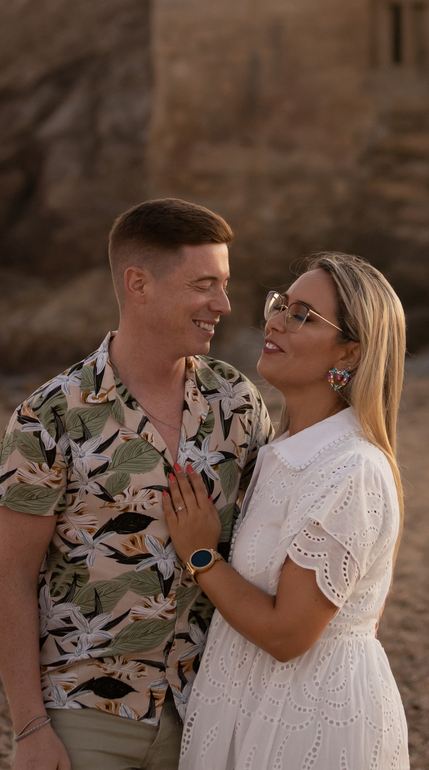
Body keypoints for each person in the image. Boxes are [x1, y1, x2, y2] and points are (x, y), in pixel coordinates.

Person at [0, 198, 271, 770]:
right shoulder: (50, 416)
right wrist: (30, 728)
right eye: (204, 285)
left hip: (210, 709)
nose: (223, 304)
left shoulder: (237, 403)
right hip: (85, 713)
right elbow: (11, 576)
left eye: (224, 284)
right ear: (138, 284)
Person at [168, 251, 409, 770]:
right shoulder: (281, 453)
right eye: (282, 304)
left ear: (348, 354)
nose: (274, 320)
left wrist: (202, 556)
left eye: (302, 315)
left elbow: (288, 634)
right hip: (255, 701)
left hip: (312, 716)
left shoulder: (350, 468)